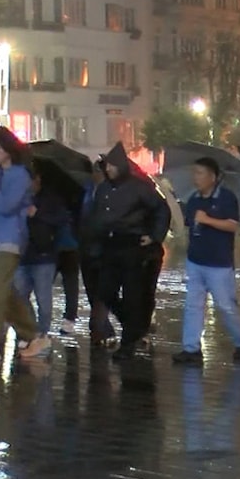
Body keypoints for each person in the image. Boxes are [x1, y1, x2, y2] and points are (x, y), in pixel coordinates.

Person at [0, 132, 50, 363]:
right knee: (7, 294)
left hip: (9, 239)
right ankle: (34, 336)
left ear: (9, 151)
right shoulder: (0, 175)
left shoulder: (19, 175)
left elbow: (6, 206)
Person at [92, 142, 171, 360]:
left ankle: (128, 343)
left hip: (133, 245)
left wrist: (155, 236)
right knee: (106, 291)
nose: (107, 170)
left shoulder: (140, 187)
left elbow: (161, 210)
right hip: (110, 245)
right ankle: (133, 325)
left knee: (132, 294)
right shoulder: (104, 189)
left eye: (111, 166)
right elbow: (96, 215)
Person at [173, 156, 240, 364]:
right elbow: (190, 225)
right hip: (195, 260)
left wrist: (208, 220)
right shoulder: (194, 199)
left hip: (219, 264)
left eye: (200, 173)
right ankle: (191, 348)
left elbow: (233, 225)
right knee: (193, 305)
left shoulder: (226, 198)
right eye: (194, 172)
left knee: (225, 305)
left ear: (213, 176)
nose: (195, 177)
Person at [15, 171, 70, 339]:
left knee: (43, 299)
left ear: (37, 179)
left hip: (44, 255)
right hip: (22, 254)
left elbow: (61, 219)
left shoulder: (51, 199)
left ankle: (42, 333)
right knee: (19, 296)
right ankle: (30, 330)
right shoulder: (18, 198)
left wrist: (37, 214)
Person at [78, 160, 116, 346]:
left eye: (97, 169)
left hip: (105, 249)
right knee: (91, 290)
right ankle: (103, 327)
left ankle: (98, 329)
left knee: (102, 291)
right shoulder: (86, 189)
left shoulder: (111, 192)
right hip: (86, 247)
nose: (94, 173)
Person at [54, 195, 82, 335]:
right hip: (70, 247)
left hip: (63, 248)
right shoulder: (77, 201)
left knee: (70, 285)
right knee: (71, 286)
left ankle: (70, 318)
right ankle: (70, 318)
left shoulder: (53, 201)